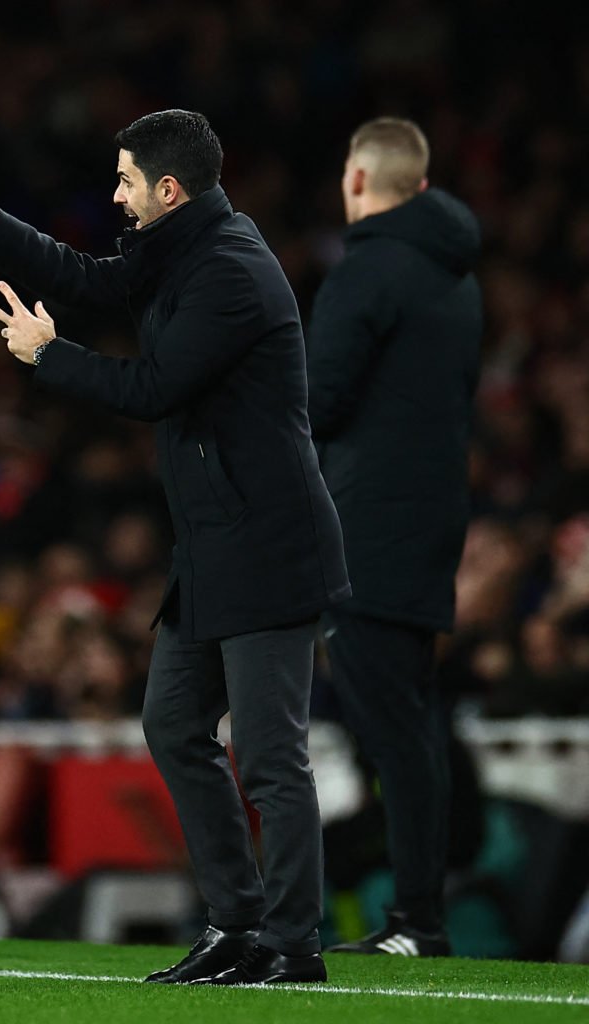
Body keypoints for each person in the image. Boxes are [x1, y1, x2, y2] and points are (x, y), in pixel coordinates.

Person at [0, 109, 349, 984]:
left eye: (124, 181)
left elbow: (153, 387)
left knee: (269, 754)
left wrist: (48, 354)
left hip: (268, 542)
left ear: (169, 189)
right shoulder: (185, 246)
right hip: (214, 544)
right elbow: (92, 277)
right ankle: (237, 925)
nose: (115, 195)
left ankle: (294, 945)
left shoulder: (230, 269)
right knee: (175, 723)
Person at [306, 118, 482, 957]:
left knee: (395, 733)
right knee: (412, 724)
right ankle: (421, 917)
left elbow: (318, 399)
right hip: (431, 521)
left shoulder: (367, 270)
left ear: (356, 180)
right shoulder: (458, 279)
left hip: (369, 527)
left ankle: (419, 921)